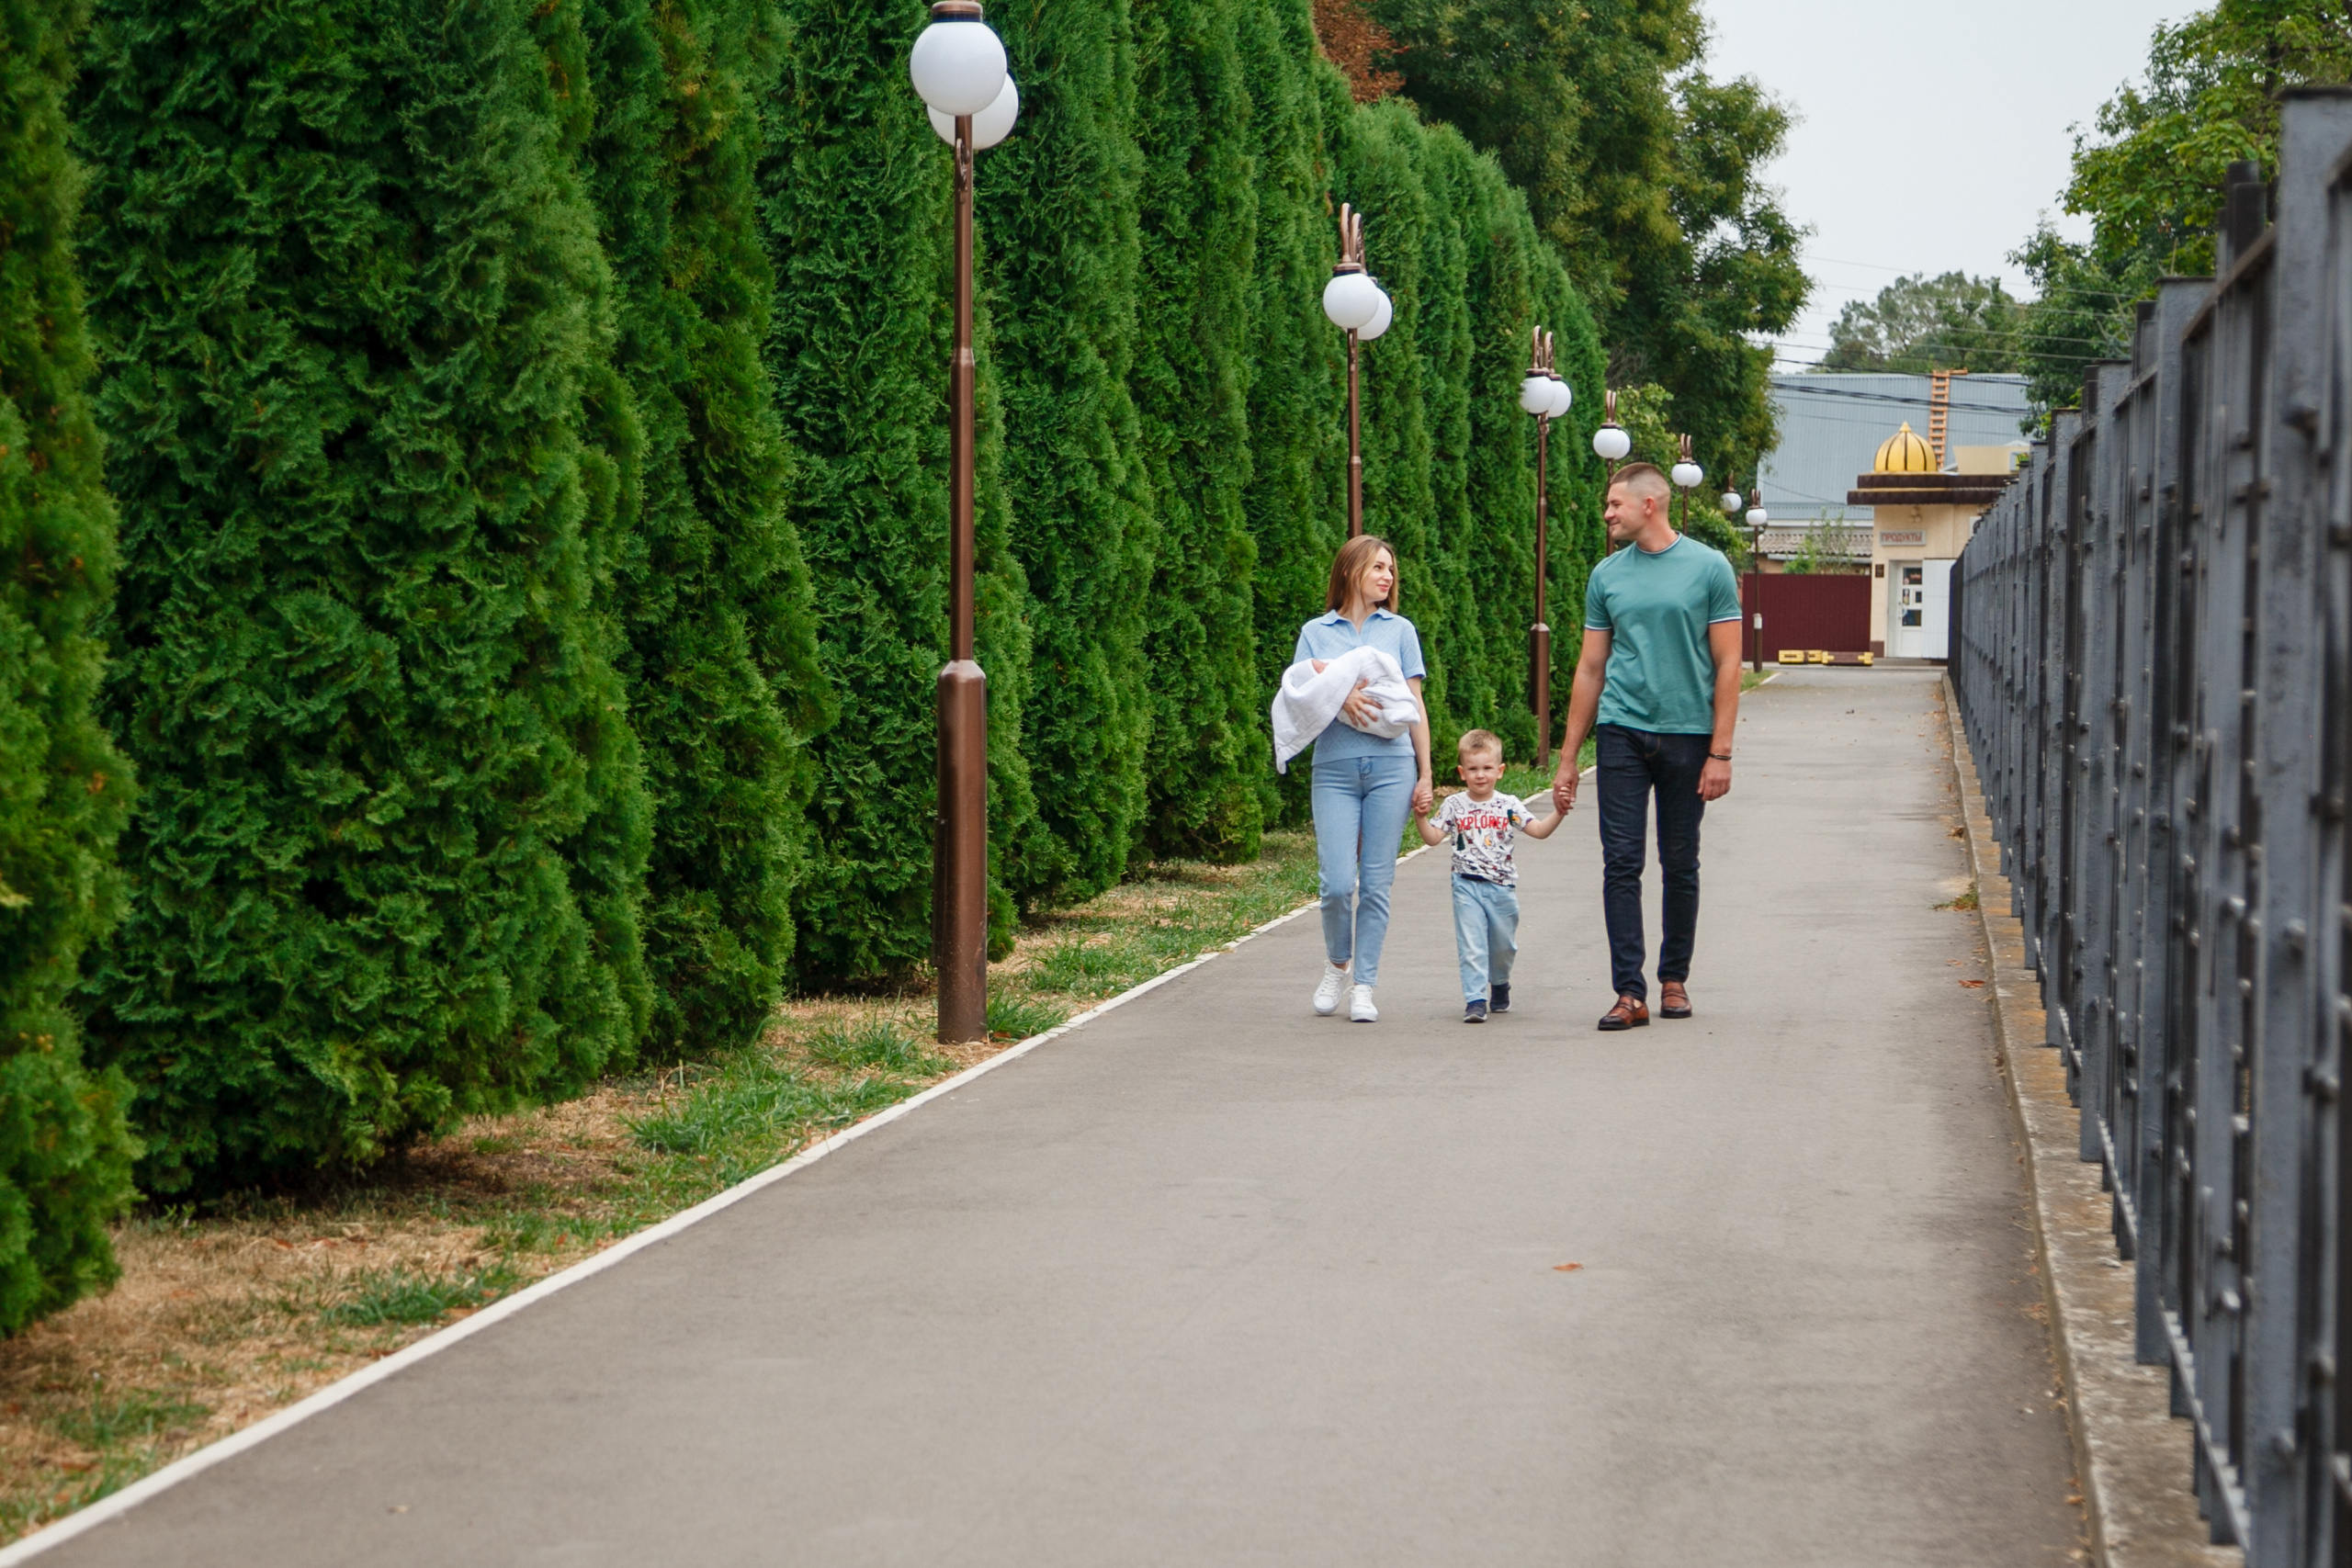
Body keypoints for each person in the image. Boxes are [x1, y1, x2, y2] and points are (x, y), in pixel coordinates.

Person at [1550, 462, 1742, 1031]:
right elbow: (1590, 668)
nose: (1607, 513)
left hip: (1690, 736)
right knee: (1621, 862)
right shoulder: (1606, 575)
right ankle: (1629, 992)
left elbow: (1730, 663)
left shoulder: (1709, 568)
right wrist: (1567, 758)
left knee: (1680, 861)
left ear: (1649, 505)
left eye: (1614, 504)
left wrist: (1722, 751)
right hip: (1622, 732)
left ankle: (1673, 979)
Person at [1290, 536, 1434, 1022]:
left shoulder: (1400, 630)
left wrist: (1426, 773)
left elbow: (1414, 704)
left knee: (1376, 884)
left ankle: (1365, 986)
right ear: (1351, 570)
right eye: (1378, 567)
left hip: (1393, 769)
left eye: (1390, 569)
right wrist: (1339, 697)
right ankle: (1337, 964)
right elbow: (1301, 694)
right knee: (1334, 883)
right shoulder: (1316, 631)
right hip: (1334, 769)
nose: (1387, 576)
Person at [1413, 729, 1562, 1023]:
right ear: (1462, 772)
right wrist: (1420, 816)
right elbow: (1432, 838)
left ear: (1500, 771)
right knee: (1472, 945)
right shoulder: (1454, 805)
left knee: (1503, 946)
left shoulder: (1508, 805)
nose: (1480, 775)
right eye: (1473, 769)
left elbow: (1539, 831)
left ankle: (1500, 981)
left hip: (1502, 887)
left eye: (1487, 768)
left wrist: (1559, 812)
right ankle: (1475, 1000)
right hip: (1465, 884)